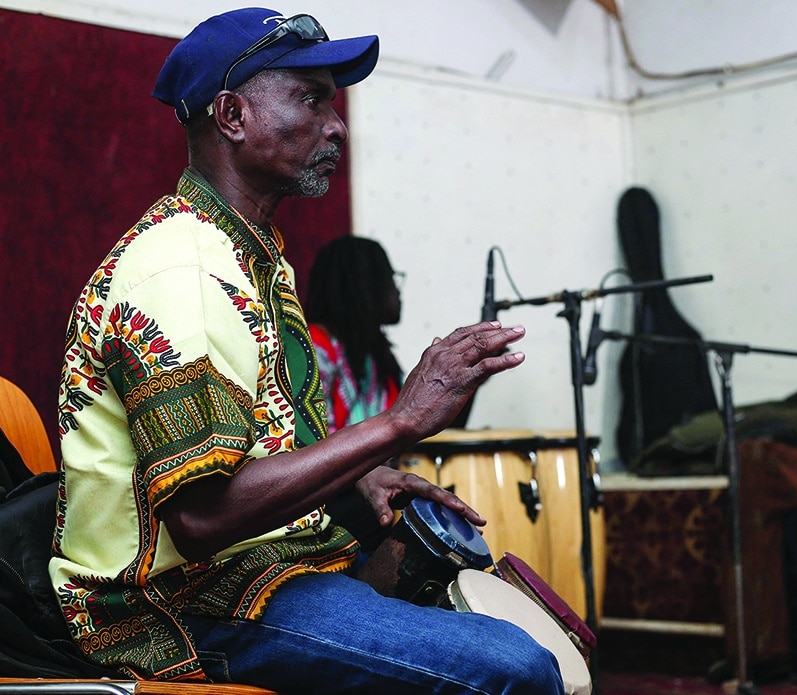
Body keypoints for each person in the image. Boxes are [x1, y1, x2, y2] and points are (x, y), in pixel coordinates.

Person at [49, 8, 563, 694]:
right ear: (232, 115)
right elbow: (202, 519)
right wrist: (397, 424)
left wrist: (356, 476)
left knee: (491, 611)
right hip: (184, 602)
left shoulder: (249, 256)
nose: (336, 124)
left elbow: (258, 451)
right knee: (517, 668)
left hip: (267, 568)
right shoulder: (181, 273)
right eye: (310, 97)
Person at [305, 236, 404, 432]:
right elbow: (316, 440)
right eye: (390, 278)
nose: (397, 291)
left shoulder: (378, 358)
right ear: (365, 286)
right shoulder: (316, 346)